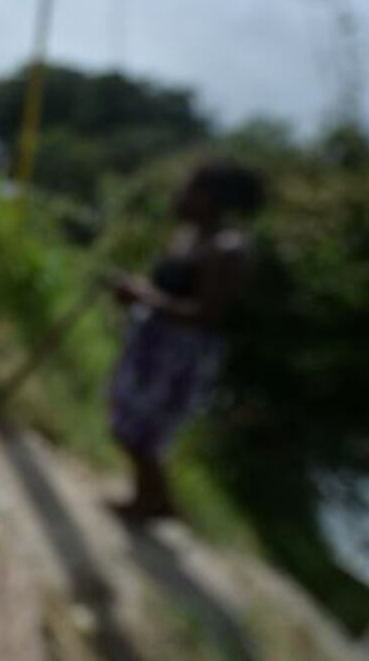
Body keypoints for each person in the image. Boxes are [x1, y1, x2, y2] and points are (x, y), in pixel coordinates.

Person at [106, 160, 265, 521]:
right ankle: (154, 499)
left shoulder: (228, 248)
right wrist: (138, 290)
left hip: (181, 357)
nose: (182, 195)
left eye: (191, 189)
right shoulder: (190, 236)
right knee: (128, 419)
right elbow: (167, 287)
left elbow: (207, 314)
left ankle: (153, 501)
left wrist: (143, 296)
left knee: (144, 430)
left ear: (212, 197)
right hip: (153, 345)